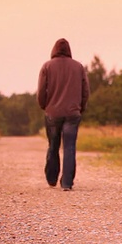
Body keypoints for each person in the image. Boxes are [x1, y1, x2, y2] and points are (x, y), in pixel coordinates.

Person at [37, 38, 90, 191]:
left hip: (53, 113)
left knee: (53, 145)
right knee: (70, 146)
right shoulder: (78, 67)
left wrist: (44, 106)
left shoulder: (47, 66)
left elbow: (41, 91)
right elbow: (85, 91)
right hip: (73, 113)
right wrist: (81, 108)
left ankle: (52, 178)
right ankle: (67, 183)